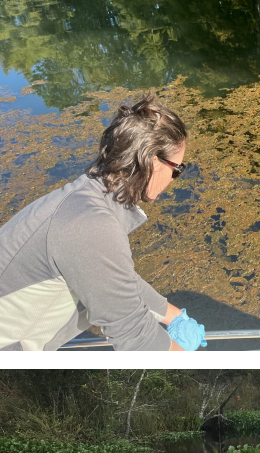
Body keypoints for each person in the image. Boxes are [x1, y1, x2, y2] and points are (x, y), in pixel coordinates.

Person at [0, 94, 206, 351]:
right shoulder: (89, 226)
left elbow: (117, 281)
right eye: (178, 168)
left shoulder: (87, 198)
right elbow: (137, 340)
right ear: (153, 163)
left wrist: (176, 317)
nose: (176, 177)